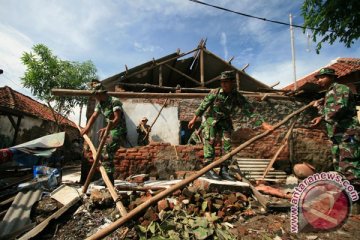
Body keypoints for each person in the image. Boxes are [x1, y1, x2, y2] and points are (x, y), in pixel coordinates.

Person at [188, 70, 272, 180]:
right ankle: (208, 169)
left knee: (227, 146)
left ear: (232, 82)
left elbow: (249, 110)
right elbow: (203, 105)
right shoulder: (215, 92)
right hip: (211, 120)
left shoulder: (237, 96)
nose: (223, 84)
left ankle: (224, 170)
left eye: (226, 82)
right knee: (210, 141)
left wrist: (263, 124)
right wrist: (194, 119)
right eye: (222, 82)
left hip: (225, 122)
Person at [310, 67, 360, 183]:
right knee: (339, 164)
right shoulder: (329, 93)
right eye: (318, 78)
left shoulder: (341, 89)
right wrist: (320, 117)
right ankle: (346, 193)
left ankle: (355, 193)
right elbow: (331, 111)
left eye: (322, 77)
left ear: (332, 77)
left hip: (348, 133)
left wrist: (319, 107)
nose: (319, 80)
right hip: (337, 134)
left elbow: (337, 110)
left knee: (350, 163)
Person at [80, 79, 128, 185]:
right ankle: (106, 178)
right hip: (110, 129)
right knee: (102, 154)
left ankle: (109, 181)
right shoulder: (100, 104)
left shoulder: (114, 101)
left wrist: (107, 129)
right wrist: (87, 128)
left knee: (106, 153)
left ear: (101, 93)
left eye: (96, 95)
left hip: (118, 130)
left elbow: (117, 119)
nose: (95, 97)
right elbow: (93, 116)